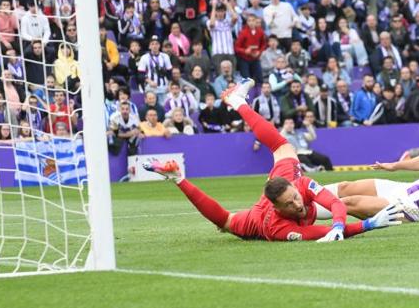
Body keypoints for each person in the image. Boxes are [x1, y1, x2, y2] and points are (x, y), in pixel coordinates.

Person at [145, 78, 403, 241]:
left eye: (295, 196)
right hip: (258, 220)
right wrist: (367, 225)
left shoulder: (299, 186)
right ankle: (178, 177)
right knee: (225, 223)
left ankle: (238, 102)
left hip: (285, 182)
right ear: (279, 208)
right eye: (290, 204)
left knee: (283, 146)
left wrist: (338, 222)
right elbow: (321, 233)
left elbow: (333, 206)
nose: (297, 204)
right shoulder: (277, 226)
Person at [316, 120, 419, 223]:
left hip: (412, 208)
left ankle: (301, 213)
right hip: (404, 189)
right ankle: (307, 194)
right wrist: (395, 166)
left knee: (348, 202)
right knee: (347, 187)